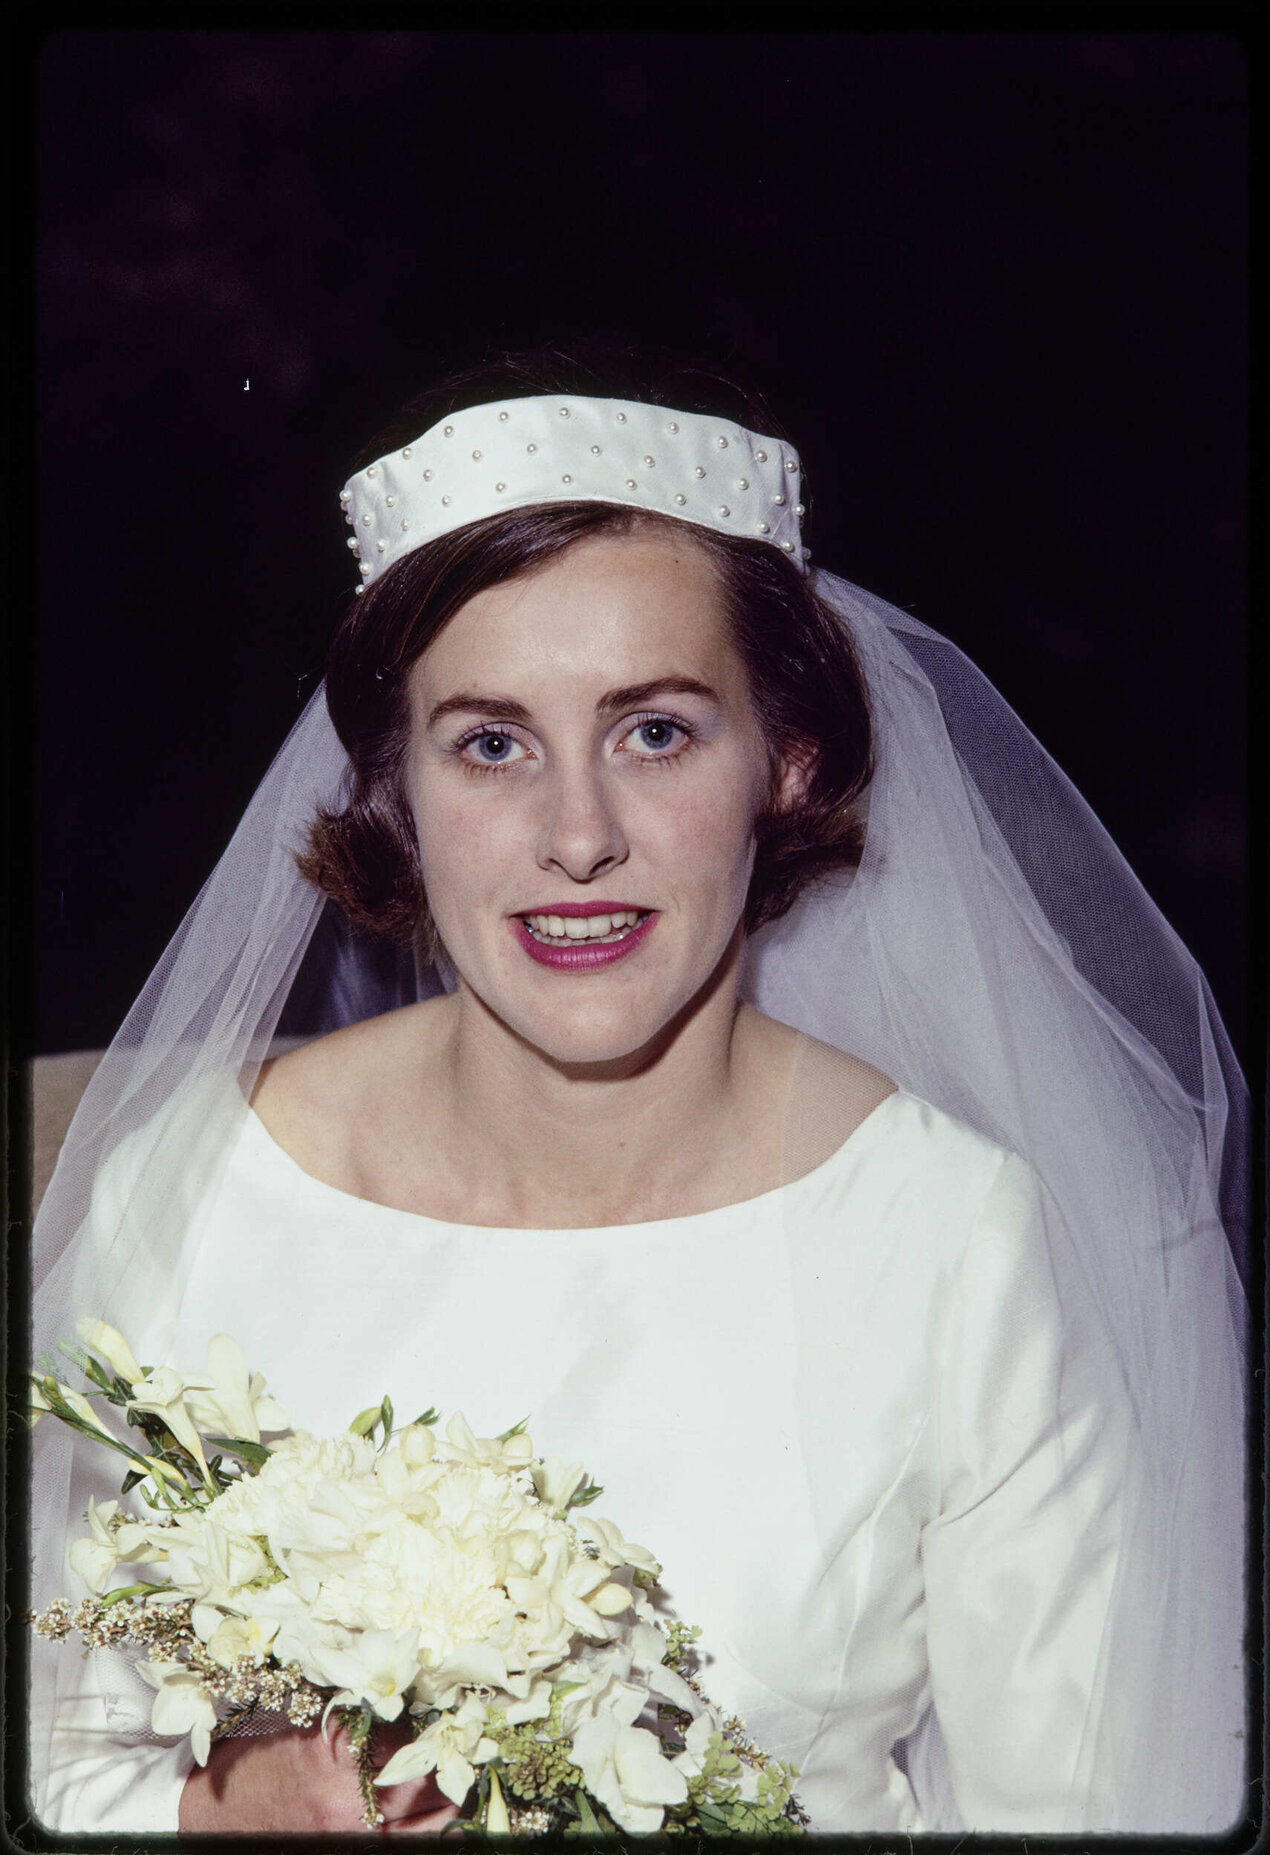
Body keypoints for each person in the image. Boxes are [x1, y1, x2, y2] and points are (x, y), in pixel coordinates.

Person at [28, 354, 1248, 1837]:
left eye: (655, 731)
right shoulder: (197, 1191)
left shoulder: (955, 1239)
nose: (578, 835)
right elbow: (54, 1763)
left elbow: (1073, 1812)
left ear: (787, 767)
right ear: (396, 795)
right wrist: (225, 1813)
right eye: (492, 745)